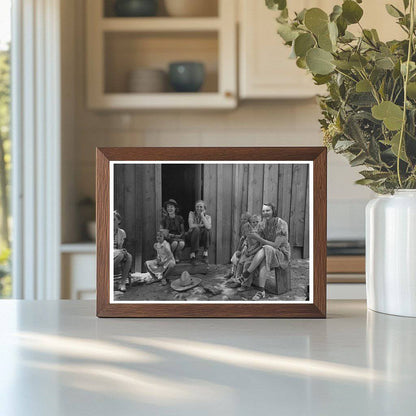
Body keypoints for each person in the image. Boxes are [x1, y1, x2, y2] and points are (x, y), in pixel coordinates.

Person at [234, 203, 291, 300]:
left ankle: (246, 274)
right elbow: (258, 243)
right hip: (266, 253)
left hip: (281, 254)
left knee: (267, 248)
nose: (265, 213)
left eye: (268, 210)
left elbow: (276, 245)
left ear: (273, 211)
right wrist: (250, 251)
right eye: (264, 211)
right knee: (263, 254)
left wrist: (259, 239)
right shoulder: (262, 224)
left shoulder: (281, 224)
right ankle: (261, 291)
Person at [226, 213, 261, 282]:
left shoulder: (255, 229)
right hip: (246, 247)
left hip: (250, 249)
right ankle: (233, 273)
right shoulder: (245, 227)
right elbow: (242, 240)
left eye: (245, 219)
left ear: (248, 221)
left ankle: (236, 276)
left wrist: (244, 249)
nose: (243, 220)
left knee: (240, 259)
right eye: (242, 219)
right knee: (236, 256)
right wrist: (239, 250)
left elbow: (250, 241)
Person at [160, 199, 185, 263]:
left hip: (178, 237)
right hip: (169, 237)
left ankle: (176, 254)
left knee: (182, 244)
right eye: (168, 207)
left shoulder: (180, 218)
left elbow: (182, 230)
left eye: (171, 207)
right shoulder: (164, 219)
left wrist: (180, 235)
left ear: (175, 208)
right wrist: (169, 235)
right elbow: (162, 231)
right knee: (174, 243)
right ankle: (170, 256)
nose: (169, 208)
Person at [113, 210, 132, 292]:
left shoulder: (122, 232)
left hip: (116, 251)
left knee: (129, 256)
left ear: (119, 221)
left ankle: (122, 283)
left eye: (114, 220)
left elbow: (120, 246)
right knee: (120, 255)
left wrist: (122, 250)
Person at [187, 200, 212, 264]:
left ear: (204, 208)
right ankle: (192, 255)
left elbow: (208, 227)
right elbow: (191, 225)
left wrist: (202, 216)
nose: (198, 208)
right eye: (197, 206)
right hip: (191, 237)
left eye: (201, 207)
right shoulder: (191, 214)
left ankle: (205, 254)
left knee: (207, 230)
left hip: (201, 238)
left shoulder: (208, 217)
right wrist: (200, 225)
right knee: (197, 229)